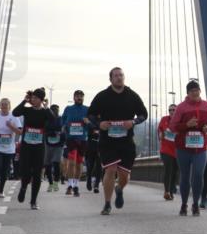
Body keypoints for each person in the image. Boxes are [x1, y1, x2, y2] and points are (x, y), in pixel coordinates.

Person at [87, 67, 148, 216]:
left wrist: (133, 122)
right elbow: (91, 115)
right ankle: (107, 203)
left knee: (124, 176)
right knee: (110, 169)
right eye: (116, 76)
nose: (119, 78)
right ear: (111, 79)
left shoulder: (132, 95)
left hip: (126, 141)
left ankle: (119, 189)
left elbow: (143, 114)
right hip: (107, 141)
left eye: (121, 75)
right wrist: (98, 124)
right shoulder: (102, 96)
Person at [168, 81, 207, 216]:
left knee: (198, 175)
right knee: (185, 176)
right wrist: (186, 125)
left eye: (197, 90)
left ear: (200, 91)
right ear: (187, 93)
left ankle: (195, 204)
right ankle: (184, 204)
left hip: (201, 147)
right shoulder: (181, 107)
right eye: (192, 91)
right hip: (183, 147)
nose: (195, 92)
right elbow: (172, 127)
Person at [13, 88, 57, 210]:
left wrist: (46, 107)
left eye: (36, 98)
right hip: (26, 146)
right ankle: (23, 187)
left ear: (41, 100)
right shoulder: (27, 110)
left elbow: (53, 120)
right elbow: (15, 113)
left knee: (37, 174)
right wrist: (24, 101)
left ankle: (33, 201)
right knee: (25, 171)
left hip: (39, 146)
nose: (33, 100)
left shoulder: (44, 112)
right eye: (32, 98)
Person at [0, 98, 20, 197]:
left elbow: (19, 132)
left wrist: (11, 126)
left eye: (6, 104)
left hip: (9, 147)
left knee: (5, 169)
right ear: (0, 106)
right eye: (2, 104)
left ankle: (1, 190)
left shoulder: (14, 117)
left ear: (9, 106)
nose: (4, 106)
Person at [61, 90, 89, 196]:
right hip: (71, 138)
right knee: (71, 163)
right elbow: (62, 120)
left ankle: (76, 186)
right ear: (74, 98)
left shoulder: (87, 109)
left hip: (82, 139)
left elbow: (92, 122)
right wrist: (63, 126)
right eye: (77, 96)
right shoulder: (68, 109)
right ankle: (70, 185)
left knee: (79, 163)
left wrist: (88, 122)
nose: (79, 98)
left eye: (81, 96)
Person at [157, 104, 179, 200]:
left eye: (174, 110)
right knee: (168, 170)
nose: (172, 111)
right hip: (165, 149)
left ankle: (171, 190)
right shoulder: (164, 119)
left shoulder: (180, 121)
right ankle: (167, 191)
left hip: (177, 150)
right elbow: (160, 130)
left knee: (175, 171)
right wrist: (161, 134)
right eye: (170, 110)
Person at [44, 104, 65, 192]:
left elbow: (61, 128)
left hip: (58, 144)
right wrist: (54, 132)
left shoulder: (60, 118)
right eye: (53, 110)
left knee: (56, 163)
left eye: (57, 110)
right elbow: (45, 129)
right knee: (47, 164)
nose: (55, 112)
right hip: (48, 144)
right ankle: (50, 183)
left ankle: (56, 183)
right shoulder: (46, 119)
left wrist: (54, 131)